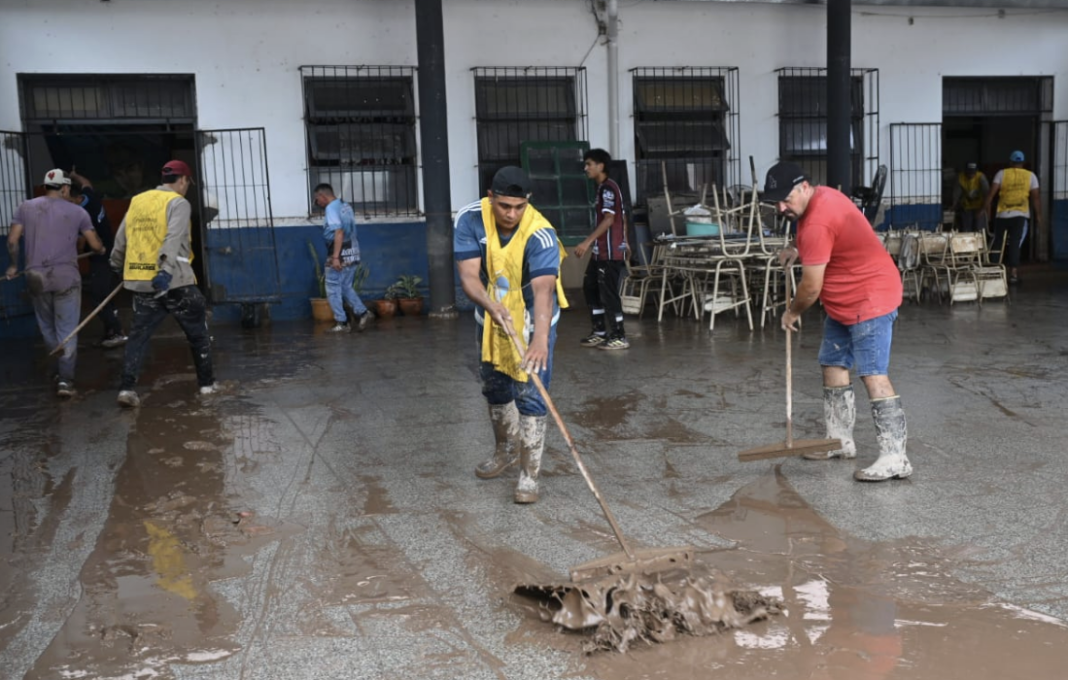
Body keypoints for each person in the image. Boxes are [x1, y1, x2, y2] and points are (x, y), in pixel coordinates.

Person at [763, 161, 911, 482]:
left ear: (804, 187)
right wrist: (795, 247)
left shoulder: (818, 220)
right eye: (776, 202)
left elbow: (810, 287)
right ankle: (839, 442)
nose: (781, 208)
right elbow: (820, 234)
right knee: (832, 363)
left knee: (872, 373)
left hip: (870, 298)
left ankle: (895, 457)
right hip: (843, 301)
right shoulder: (819, 199)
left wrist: (792, 312)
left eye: (786, 199)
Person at [454, 166, 569, 504]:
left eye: (520, 207)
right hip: (491, 308)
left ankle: (529, 475)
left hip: (534, 316)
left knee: (531, 391)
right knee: (494, 383)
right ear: (491, 197)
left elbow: (544, 290)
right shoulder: (470, 219)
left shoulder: (541, 233)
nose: (512, 214)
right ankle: (505, 450)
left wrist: (539, 340)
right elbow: (469, 276)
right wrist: (491, 306)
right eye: (504, 205)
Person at [109, 160, 215, 407]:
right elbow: (173, 237)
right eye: (187, 182)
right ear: (183, 180)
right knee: (198, 335)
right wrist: (165, 271)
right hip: (175, 281)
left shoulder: (138, 200)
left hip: (142, 284)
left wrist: (116, 263)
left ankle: (127, 389)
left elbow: (121, 238)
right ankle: (207, 387)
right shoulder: (178, 203)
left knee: (138, 338)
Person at [5, 169, 106, 398]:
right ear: (65, 188)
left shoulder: (25, 207)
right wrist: (101, 249)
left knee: (47, 327)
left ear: (45, 186)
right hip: (66, 278)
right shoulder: (77, 211)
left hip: (36, 277)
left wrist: (12, 265)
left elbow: (12, 240)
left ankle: (56, 370)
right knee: (67, 329)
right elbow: (94, 244)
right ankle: (65, 380)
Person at [67, 168, 128, 348]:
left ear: (74, 199)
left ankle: (118, 332)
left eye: (67, 201)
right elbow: (86, 183)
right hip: (111, 254)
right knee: (107, 295)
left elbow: (81, 243)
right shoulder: (89, 197)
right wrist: (75, 176)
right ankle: (110, 333)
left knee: (97, 297)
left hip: (101, 257)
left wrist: (70, 256)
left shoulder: (81, 214)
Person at [576, 148, 629, 350]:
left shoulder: (608, 188)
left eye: (589, 164)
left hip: (610, 252)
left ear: (601, 166)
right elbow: (622, 215)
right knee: (590, 286)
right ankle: (599, 332)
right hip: (602, 251)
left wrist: (586, 242)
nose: (586, 168)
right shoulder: (603, 188)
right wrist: (626, 240)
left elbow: (609, 219)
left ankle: (619, 335)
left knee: (608, 292)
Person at [312, 183, 372, 332]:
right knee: (345, 286)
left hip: (339, 250)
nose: (317, 203)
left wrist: (335, 257)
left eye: (317, 199)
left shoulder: (331, 208)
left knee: (332, 287)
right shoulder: (345, 205)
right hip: (352, 249)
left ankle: (342, 322)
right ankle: (363, 312)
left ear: (322, 196)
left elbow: (339, 232)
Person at [983, 150, 1040, 285]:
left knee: (998, 241)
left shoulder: (1001, 174)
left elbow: (991, 194)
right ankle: (1013, 274)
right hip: (1020, 215)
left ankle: (994, 272)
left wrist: (984, 210)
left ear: (1010, 162)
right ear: (1023, 163)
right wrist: (1039, 215)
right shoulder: (1031, 176)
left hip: (1002, 214)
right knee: (1014, 243)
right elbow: (1036, 198)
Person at [952, 162, 989, 233]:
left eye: (973, 173)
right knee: (966, 229)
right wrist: (954, 204)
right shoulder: (960, 177)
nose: (971, 175)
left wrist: (984, 210)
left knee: (979, 229)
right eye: (969, 172)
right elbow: (956, 193)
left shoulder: (981, 177)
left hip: (979, 207)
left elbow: (987, 194)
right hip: (966, 207)